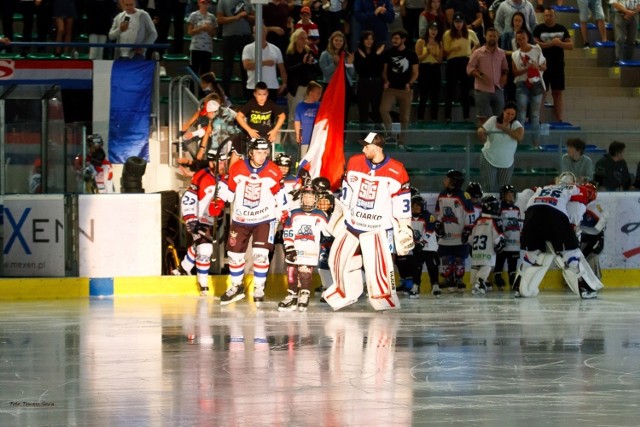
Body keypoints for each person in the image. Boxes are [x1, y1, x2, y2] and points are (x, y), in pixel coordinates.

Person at [322, 132, 414, 311]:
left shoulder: (397, 169)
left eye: (367, 146)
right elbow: (347, 191)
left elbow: (402, 201)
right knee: (337, 258)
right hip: (352, 224)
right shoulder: (355, 162)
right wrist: (341, 214)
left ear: (378, 147)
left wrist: (404, 226)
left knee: (378, 266)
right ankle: (344, 292)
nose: (363, 149)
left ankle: (384, 297)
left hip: (378, 228)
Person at [216, 138, 287, 305]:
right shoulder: (238, 168)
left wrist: (284, 210)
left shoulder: (273, 170)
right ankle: (236, 287)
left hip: (265, 218)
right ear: (250, 152)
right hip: (240, 218)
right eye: (258, 152)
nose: (262, 156)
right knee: (234, 255)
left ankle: (259, 288)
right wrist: (219, 199)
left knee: (261, 255)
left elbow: (281, 194)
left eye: (265, 153)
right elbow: (228, 192)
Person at [515, 175, 599, 299]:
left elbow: (524, 196)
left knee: (531, 254)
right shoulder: (579, 190)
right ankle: (583, 287)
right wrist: (572, 231)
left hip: (531, 213)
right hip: (554, 214)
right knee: (571, 254)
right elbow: (575, 210)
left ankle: (518, 286)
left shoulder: (545, 187)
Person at [172, 148, 226, 296]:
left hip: (215, 220)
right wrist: (190, 218)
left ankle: (183, 268)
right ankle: (203, 284)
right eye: (219, 162)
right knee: (205, 249)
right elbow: (189, 198)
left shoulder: (226, 177)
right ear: (211, 163)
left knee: (200, 245)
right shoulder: (200, 176)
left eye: (223, 161)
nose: (222, 165)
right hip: (199, 219)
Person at [279, 181, 329, 311]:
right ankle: (292, 296)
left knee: (305, 272)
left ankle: (304, 294)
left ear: (315, 199)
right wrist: (289, 247)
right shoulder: (294, 213)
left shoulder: (321, 215)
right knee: (292, 271)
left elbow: (328, 232)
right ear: (301, 198)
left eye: (311, 197)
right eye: (305, 197)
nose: (307, 200)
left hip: (310, 250)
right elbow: (288, 231)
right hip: (295, 248)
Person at [434, 169, 476, 293]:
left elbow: (470, 214)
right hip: (445, 236)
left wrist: (468, 230)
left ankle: (458, 279)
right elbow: (438, 212)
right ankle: (448, 279)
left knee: (460, 260)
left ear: (453, 182)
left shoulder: (463, 196)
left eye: (447, 178)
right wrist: (439, 225)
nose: (444, 180)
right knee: (445, 260)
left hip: (459, 236)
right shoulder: (441, 195)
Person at [380, 28, 419, 151]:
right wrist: (386, 81)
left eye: (396, 38)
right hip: (391, 88)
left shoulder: (411, 54)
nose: (394, 40)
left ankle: (401, 141)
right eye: (393, 38)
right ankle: (391, 133)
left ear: (403, 39)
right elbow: (384, 71)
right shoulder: (388, 53)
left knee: (404, 117)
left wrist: (410, 83)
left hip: (405, 89)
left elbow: (415, 72)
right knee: (383, 109)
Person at [533, 8, 573, 123]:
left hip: (558, 66)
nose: (548, 17)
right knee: (542, 93)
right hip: (542, 66)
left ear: (555, 16)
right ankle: (537, 119)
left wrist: (560, 43)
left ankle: (559, 119)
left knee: (558, 92)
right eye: (546, 15)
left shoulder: (562, 29)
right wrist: (551, 43)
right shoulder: (538, 29)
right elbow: (535, 44)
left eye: (550, 15)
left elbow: (570, 45)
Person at [476, 101, 524, 192]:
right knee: (489, 187)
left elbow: (519, 137)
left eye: (512, 114)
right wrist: (480, 132)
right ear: (503, 112)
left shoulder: (516, 124)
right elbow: (482, 129)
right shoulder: (494, 119)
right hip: (489, 158)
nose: (510, 116)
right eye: (508, 113)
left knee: (504, 189)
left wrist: (503, 128)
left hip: (507, 162)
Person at [443, 12, 480, 123]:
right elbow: (445, 51)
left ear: (463, 23)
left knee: (465, 90)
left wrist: (470, 54)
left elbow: (477, 45)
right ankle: (447, 116)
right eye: (456, 22)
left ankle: (466, 116)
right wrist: (453, 49)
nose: (458, 24)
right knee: (450, 90)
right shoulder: (448, 34)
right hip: (452, 62)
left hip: (465, 61)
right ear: (453, 23)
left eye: (460, 22)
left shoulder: (469, 32)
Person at [285, 28, 320, 144]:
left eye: (306, 38)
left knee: (307, 116)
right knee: (293, 115)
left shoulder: (308, 52)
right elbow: (289, 70)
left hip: (307, 88)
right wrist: (303, 64)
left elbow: (316, 69)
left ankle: (306, 139)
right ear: (295, 39)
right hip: (296, 88)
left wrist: (310, 64)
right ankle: (292, 140)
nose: (304, 40)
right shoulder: (290, 53)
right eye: (302, 38)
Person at [466, 27, 508, 125]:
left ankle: (497, 140)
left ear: (498, 37)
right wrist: (480, 75)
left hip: (497, 89)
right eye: (490, 36)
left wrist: (504, 76)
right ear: (486, 37)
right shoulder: (477, 53)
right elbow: (469, 68)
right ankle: (484, 140)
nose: (492, 38)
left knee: (500, 119)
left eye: (494, 36)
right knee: (483, 120)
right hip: (482, 90)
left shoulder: (501, 53)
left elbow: (505, 68)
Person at [512, 29, 546, 145]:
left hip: (536, 83)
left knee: (535, 114)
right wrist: (527, 68)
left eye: (523, 38)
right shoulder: (515, 54)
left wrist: (537, 67)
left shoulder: (536, 49)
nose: (521, 41)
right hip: (522, 83)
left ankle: (535, 142)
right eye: (519, 39)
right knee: (521, 113)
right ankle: (519, 142)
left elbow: (544, 66)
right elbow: (515, 72)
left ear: (527, 38)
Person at [216, 0, 254, 96]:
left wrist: (246, 16)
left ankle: (248, 94)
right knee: (227, 67)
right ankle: (225, 95)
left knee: (246, 67)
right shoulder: (223, 1)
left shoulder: (247, 1)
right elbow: (219, 19)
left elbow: (255, 18)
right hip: (229, 37)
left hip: (245, 37)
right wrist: (236, 17)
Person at [470, 195, 506, 295]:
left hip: (476, 250)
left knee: (476, 266)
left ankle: (474, 285)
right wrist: (500, 242)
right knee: (487, 265)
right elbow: (498, 236)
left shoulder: (477, 220)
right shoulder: (494, 220)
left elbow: (470, 238)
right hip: (488, 250)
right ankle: (480, 282)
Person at [242, 25, 288, 98]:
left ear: (265, 33)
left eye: (259, 32)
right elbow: (247, 65)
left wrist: (284, 84)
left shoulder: (275, 49)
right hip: (253, 86)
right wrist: (264, 63)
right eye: (254, 33)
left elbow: (282, 69)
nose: (256, 35)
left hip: (271, 87)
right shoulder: (248, 48)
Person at [354, 30, 385, 129]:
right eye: (367, 39)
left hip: (377, 83)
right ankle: (364, 138)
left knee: (377, 111)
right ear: (363, 40)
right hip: (364, 83)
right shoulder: (358, 53)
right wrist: (372, 58)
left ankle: (377, 138)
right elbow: (360, 70)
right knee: (363, 112)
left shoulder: (378, 53)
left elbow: (378, 69)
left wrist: (371, 57)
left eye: (371, 39)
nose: (369, 41)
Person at [415, 21, 443, 122]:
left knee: (435, 96)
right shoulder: (421, 41)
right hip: (424, 68)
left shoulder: (439, 43)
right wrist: (427, 53)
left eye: (435, 29)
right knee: (423, 95)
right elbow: (417, 59)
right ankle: (420, 118)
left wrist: (434, 54)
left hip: (435, 69)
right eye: (431, 29)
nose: (433, 31)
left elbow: (440, 60)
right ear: (428, 30)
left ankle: (434, 118)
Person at [579, 183, 606, 279]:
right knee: (577, 258)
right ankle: (579, 279)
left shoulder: (596, 206)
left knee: (591, 257)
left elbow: (598, 228)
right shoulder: (578, 204)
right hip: (582, 239)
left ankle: (594, 279)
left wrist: (580, 230)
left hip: (594, 239)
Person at [187, 0, 217, 78]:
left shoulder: (212, 17)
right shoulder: (193, 15)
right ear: (199, 3)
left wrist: (209, 29)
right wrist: (201, 28)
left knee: (205, 74)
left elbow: (214, 34)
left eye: (207, 3)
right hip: (195, 48)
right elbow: (189, 32)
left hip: (207, 49)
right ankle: (192, 89)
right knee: (193, 71)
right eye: (203, 2)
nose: (205, 4)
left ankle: (203, 90)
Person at [294, 81, 323, 158]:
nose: (320, 95)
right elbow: (297, 121)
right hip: (305, 138)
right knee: (305, 159)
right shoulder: (300, 106)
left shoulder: (320, 105)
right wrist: (298, 134)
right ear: (311, 93)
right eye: (318, 93)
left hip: (317, 139)